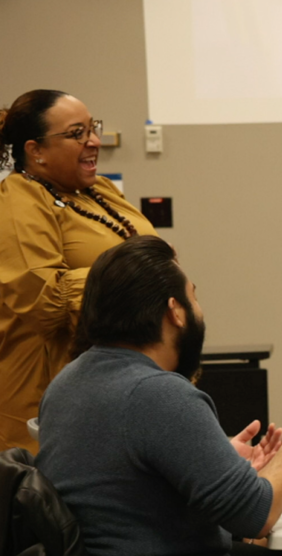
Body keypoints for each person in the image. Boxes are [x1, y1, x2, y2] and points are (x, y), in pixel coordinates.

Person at [35, 236, 282, 555]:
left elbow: (115, 485)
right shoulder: (159, 393)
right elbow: (257, 516)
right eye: (194, 298)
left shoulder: (65, 384)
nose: (199, 311)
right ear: (176, 312)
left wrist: (210, 462)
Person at [0, 89, 157, 452]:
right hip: (50, 399)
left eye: (93, 128)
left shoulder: (97, 191)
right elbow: (44, 300)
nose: (94, 142)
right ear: (35, 150)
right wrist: (137, 276)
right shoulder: (19, 198)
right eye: (76, 134)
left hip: (120, 378)